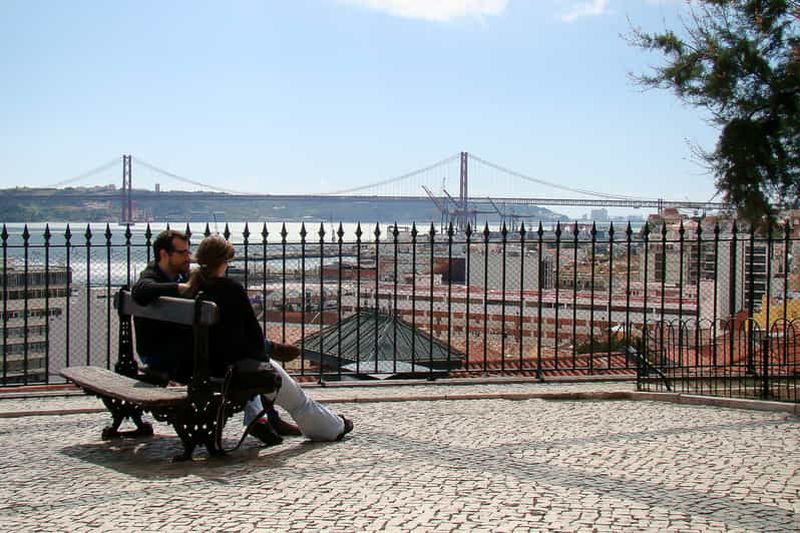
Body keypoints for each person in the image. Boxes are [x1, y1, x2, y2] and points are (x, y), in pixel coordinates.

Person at [132, 230, 303, 445]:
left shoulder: (183, 275)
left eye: (189, 251)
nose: (189, 257)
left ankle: (267, 416)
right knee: (243, 357)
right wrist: (179, 288)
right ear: (164, 254)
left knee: (240, 352)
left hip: (185, 348)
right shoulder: (152, 276)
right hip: (167, 355)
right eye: (182, 252)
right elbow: (140, 290)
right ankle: (268, 356)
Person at [185, 233, 352, 442]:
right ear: (224, 261)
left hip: (205, 368)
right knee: (298, 402)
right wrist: (268, 355)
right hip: (237, 369)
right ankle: (336, 426)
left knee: (283, 386)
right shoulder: (231, 289)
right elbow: (252, 336)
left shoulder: (192, 289)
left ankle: (259, 418)